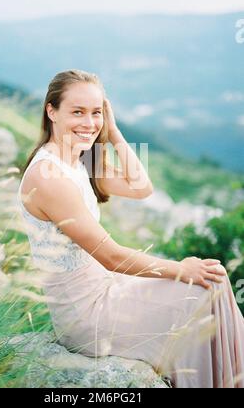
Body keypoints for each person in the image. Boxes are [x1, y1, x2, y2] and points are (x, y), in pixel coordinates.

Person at [18, 69, 244, 388]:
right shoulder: (48, 177)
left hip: (107, 286)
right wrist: (180, 269)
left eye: (96, 112)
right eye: (77, 112)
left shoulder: (80, 159)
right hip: (87, 315)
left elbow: (141, 187)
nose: (88, 122)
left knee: (215, 281)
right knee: (202, 290)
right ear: (51, 111)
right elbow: (110, 256)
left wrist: (112, 132)